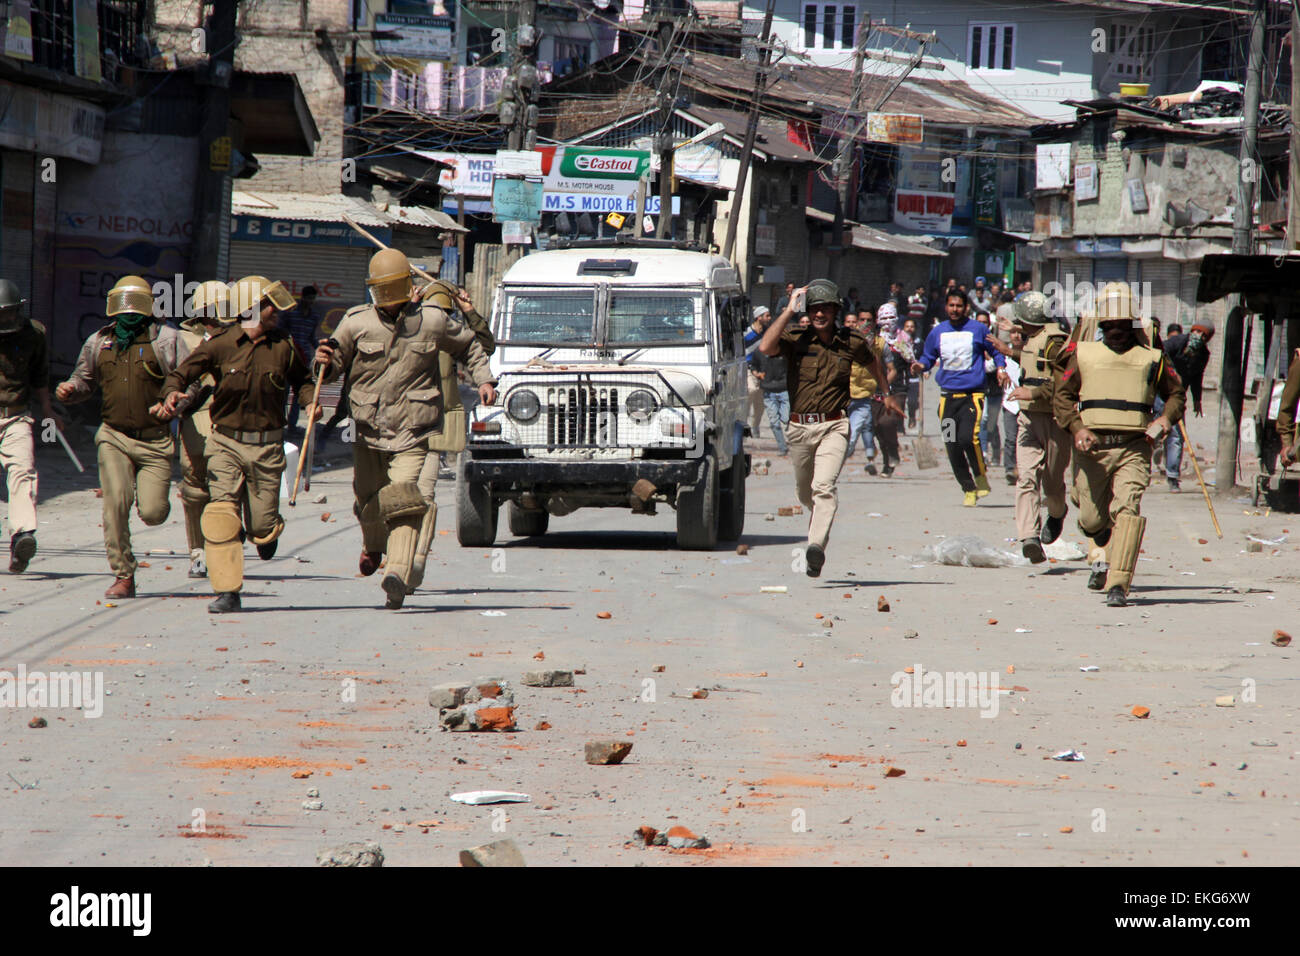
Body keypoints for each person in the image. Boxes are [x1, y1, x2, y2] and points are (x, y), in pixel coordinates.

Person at [314, 249, 495, 609]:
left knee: (406, 500)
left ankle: (396, 573)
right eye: (380, 290)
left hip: (415, 429)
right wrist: (323, 362)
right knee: (368, 501)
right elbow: (332, 364)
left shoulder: (432, 321)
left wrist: (485, 380)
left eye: (391, 288)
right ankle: (374, 544)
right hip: (367, 430)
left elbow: (472, 347)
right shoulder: (355, 322)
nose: (387, 298)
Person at [154, 275, 315, 614]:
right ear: (251, 309)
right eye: (269, 305)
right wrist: (171, 393)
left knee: (260, 526)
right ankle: (228, 591)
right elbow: (181, 374)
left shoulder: (284, 346)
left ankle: (266, 531)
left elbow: (304, 381)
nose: (276, 312)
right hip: (225, 443)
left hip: (267, 448)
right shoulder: (219, 344)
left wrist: (311, 400)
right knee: (221, 515)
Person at [56, 276, 194, 598]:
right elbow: (83, 379)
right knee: (115, 503)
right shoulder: (98, 342)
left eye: (136, 304)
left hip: (156, 440)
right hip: (114, 436)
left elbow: (193, 381)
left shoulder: (167, 340)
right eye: (122, 304)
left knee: (153, 513)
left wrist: (175, 402)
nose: (128, 312)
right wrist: (70, 390)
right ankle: (123, 575)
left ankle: (145, 497)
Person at [1054, 283, 1185, 607]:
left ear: (1132, 325)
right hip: (1092, 449)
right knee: (1092, 521)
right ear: (1100, 327)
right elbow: (1063, 396)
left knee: (1127, 510)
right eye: (1108, 326)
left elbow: (1176, 393)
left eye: (1122, 326)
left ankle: (1119, 584)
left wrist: (1165, 419)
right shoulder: (1082, 354)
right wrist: (1076, 427)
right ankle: (1098, 535)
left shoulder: (1152, 357)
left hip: (1134, 447)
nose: (1115, 332)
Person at [758, 279, 900, 577]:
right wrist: (788, 310)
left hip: (834, 425)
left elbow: (873, 362)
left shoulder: (851, 341)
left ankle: (816, 547)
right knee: (804, 492)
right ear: (808, 311)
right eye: (815, 308)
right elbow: (766, 346)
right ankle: (818, 528)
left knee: (824, 488)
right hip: (799, 429)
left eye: (827, 308)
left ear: (836, 310)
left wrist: (885, 394)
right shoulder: (796, 337)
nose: (821, 314)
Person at [411, 279, 496, 592]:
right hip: (399, 427)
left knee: (424, 497)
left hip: (435, 427)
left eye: (446, 313)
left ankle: (414, 561)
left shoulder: (451, 337)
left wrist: (469, 311)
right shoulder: (406, 327)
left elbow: (484, 347)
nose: (441, 320)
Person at [992, 292, 1071, 562]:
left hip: (1054, 420)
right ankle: (1029, 537)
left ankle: (1058, 513)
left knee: (1051, 484)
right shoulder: (1033, 338)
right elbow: (1030, 361)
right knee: (1026, 478)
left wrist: (1033, 393)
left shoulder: (1055, 342)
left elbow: (1065, 381)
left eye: (1021, 321)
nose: (1018, 325)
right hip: (1028, 419)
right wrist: (1008, 352)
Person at [912, 290, 1005, 506]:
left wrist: (1000, 367)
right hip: (948, 398)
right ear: (946, 307)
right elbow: (928, 356)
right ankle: (968, 488)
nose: (955, 309)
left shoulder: (978, 329)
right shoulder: (938, 332)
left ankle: (981, 478)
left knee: (968, 438)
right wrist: (920, 365)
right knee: (951, 444)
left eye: (959, 306)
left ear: (966, 308)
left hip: (972, 396)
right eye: (951, 305)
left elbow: (997, 351)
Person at [0, 280, 58, 573]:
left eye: (11, 313)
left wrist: (47, 410)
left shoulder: (34, 334)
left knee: (23, 471)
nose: (7, 319)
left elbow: (40, 375)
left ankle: (22, 536)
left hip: (16, 416)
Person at [175, 280, 229, 579]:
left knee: (227, 488)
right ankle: (198, 553)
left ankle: (224, 541)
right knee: (195, 491)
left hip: (232, 422)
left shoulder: (243, 337)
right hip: (196, 422)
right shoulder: (181, 340)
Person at [1157, 323, 1214, 492]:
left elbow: (1197, 377)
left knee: (1176, 436)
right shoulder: (1176, 342)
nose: (1199, 336)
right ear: (1191, 331)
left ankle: (1173, 477)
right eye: (1197, 332)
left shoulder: (1203, 355)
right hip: (1158, 394)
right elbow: (1158, 356)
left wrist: (1197, 400)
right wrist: (1172, 375)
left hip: (1177, 398)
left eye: (1203, 336)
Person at [844, 310, 880, 472]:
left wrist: (886, 391)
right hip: (844, 396)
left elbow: (888, 369)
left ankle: (871, 459)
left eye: (869, 320)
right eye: (861, 319)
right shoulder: (841, 342)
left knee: (862, 428)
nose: (864, 323)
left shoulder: (879, 344)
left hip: (865, 396)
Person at [284, 286, 322, 437]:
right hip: (287, 359)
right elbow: (282, 331)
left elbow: (311, 337)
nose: (310, 301)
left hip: (303, 359)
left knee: (300, 395)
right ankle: (282, 427)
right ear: (302, 297)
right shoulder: (291, 313)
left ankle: (292, 427)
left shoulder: (314, 317)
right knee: (284, 393)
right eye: (308, 298)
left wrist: (321, 349)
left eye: (312, 298)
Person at [749, 316, 790, 457]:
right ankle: (783, 448)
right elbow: (752, 365)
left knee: (786, 419)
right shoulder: (760, 351)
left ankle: (795, 443)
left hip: (785, 390)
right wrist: (757, 374)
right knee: (774, 423)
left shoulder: (786, 350)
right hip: (768, 392)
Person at [975, 312, 1005, 466]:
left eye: (984, 322)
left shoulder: (995, 342)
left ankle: (996, 452)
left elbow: (999, 361)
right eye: (979, 321)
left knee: (991, 423)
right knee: (982, 420)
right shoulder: (972, 339)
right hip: (978, 388)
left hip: (994, 389)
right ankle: (983, 452)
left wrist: (988, 360)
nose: (982, 325)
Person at [999, 328, 1023, 485]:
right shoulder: (1003, 355)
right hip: (1010, 404)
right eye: (1013, 332)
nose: (1016, 336)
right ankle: (1009, 468)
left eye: (1019, 333)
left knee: (1025, 439)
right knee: (1010, 438)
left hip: (1026, 404)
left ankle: (1023, 468)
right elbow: (991, 365)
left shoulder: (1029, 353)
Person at [745, 307, 768, 439]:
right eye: (767, 315)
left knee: (760, 404)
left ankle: (755, 426)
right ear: (759, 317)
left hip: (762, 369)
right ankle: (746, 424)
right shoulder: (746, 333)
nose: (769, 318)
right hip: (748, 368)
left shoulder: (767, 332)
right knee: (751, 390)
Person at [901, 317, 922, 429]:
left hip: (914, 378)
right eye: (907, 326)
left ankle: (912, 417)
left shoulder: (919, 343)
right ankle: (900, 427)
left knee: (912, 402)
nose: (909, 329)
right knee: (900, 402)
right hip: (901, 377)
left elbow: (925, 358)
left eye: (911, 326)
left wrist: (925, 370)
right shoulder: (899, 342)